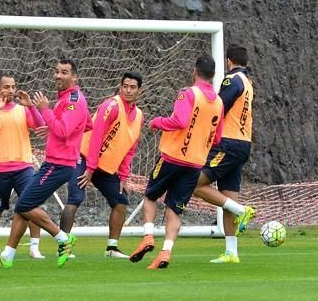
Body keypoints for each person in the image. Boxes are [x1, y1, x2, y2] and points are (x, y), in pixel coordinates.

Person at [0, 58, 92, 269]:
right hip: (48, 162)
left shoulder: (72, 100)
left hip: (59, 164)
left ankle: (62, 238)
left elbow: (65, 130)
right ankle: (7, 256)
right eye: (57, 71)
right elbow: (85, 124)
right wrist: (56, 127)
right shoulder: (68, 98)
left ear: (74, 76)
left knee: (24, 205)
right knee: (22, 208)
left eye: (64, 72)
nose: (58, 75)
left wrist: (45, 111)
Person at [130, 55, 223, 269]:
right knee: (174, 209)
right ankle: (166, 252)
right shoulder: (218, 102)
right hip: (195, 163)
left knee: (150, 196)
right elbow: (217, 137)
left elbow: (179, 121)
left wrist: (157, 122)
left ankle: (148, 236)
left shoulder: (188, 93)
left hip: (173, 157)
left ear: (194, 71)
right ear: (213, 75)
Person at [62, 71, 144, 259]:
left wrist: (123, 175)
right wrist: (90, 169)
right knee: (75, 198)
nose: (128, 91)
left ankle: (112, 248)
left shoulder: (139, 115)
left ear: (140, 90)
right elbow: (96, 137)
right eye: (125, 86)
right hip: (83, 157)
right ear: (120, 86)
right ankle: (64, 245)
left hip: (104, 167)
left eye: (133, 87)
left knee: (121, 202)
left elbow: (130, 148)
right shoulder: (112, 106)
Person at [193, 45, 256, 264]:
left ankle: (242, 210)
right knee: (228, 197)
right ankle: (231, 252)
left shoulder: (232, 80)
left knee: (194, 183)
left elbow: (218, 109)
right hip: (242, 144)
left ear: (229, 61)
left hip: (228, 144)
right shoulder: (248, 83)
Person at [0, 73, 46, 259]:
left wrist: (31, 106)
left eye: (13, 86)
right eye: (6, 87)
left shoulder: (23, 111)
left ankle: (34, 247)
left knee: (30, 205)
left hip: (24, 167)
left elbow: (41, 128)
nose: (10, 90)